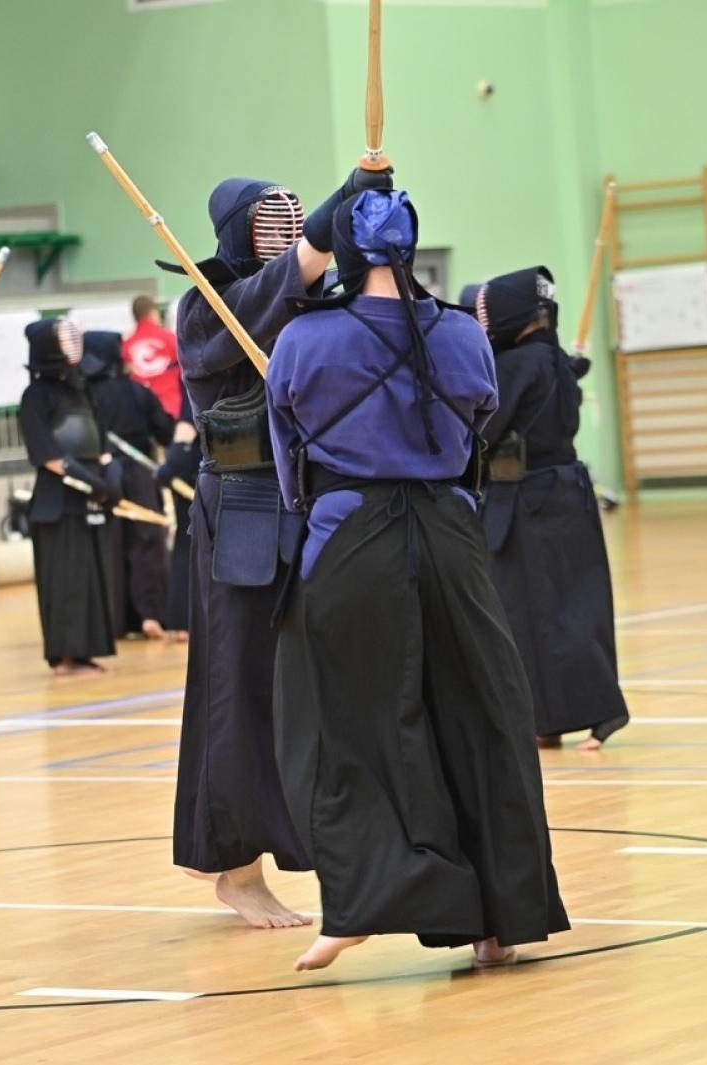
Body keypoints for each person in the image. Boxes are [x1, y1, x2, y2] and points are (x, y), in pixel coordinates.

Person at [266, 188, 569, 972]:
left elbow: (287, 450)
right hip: (451, 534)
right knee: (484, 716)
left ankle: (362, 904)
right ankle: (500, 918)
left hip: (348, 536)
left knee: (354, 725)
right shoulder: (467, 339)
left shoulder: (305, 339)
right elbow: (478, 418)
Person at [167, 165, 388, 927]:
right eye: (270, 224)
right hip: (242, 508)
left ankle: (332, 847)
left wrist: (368, 207)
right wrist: (338, 204)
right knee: (241, 685)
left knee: (315, 683)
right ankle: (238, 867)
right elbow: (270, 293)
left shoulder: (303, 309)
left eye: (293, 222)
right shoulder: (207, 310)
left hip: (310, 502)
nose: (284, 235)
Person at [475, 267, 629, 749]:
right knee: (570, 608)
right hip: (565, 494)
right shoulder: (555, 360)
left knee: (530, 613)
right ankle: (555, 716)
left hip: (529, 500)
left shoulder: (517, 364)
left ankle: (584, 712)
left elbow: (481, 432)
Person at [18, 318, 120, 674]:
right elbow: (45, 454)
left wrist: (109, 476)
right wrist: (85, 478)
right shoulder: (34, 396)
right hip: (56, 502)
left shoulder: (83, 389)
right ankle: (63, 654)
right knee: (64, 579)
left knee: (92, 576)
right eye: (64, 340)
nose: (73, 345)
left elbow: (100, 437)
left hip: (88, 496)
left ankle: (86, 650)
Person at [82, 329, 176, 638]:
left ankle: (114, 621)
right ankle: (150, 614)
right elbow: (165, 432)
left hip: (99, 478)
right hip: (139, 477)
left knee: (110, 544)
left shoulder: (83, 396)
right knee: (146, 542)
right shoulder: (138, 392)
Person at [157, 391, 201, 642]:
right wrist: (175, 460)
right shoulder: (202, 364)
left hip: (200, 468)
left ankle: (183, 620)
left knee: (189, 545)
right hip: (196, 470)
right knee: (189, 544)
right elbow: (188, 420)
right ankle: (183, 621)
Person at [123, 295, 184, 419]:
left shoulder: (125, 345)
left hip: (141, 413)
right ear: (153, 313)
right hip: (172, 408)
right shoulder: (171, 338)